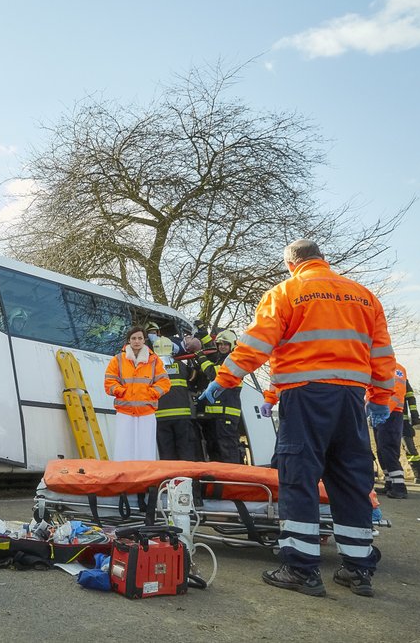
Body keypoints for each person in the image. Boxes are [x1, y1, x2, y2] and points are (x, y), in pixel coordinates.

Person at [202, 239, 394, 598]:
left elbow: (257, 342)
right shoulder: (364, 296)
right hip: (351, 399)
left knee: (299, 476)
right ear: (323, 259)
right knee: (351, 478)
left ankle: (300, 569)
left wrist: (224, 378)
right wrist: (381, 398)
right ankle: (357, 569)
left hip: (306, 395)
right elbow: (382, 354)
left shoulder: (287, 291)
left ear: (291, 263)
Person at [103, 326, 171, 461]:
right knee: (123, 447)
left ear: (144, 340)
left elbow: (165, 382)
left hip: (146, 410)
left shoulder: (154, 360)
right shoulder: (117, 359)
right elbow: (109, 382)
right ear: (129, 340)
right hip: (125, 410)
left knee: (146, 448)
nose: (137, 341)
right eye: (133, 338)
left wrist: (150, 393)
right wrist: (122, 392)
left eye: (140, 338)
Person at [199, 329, 244, 464]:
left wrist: (201, 358)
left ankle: (233, 480)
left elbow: (213, 373)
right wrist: (202, 333)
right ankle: (219, 482)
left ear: (232, 346)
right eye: (220, 344)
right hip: (213, 416)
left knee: (227, 450)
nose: (222, 347)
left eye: (225, 344)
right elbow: (210, 348)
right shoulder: (219, 358)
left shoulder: (233, 361)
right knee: (214, 450)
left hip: (226, 415)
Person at [151, 337, 199, 461]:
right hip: (182, 417)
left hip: (161, 418)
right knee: (186, 451)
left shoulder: (150, 369)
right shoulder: (181, 366)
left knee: (167, 453)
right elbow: (194, 378)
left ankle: (170, 479)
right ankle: (188, 478)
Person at [372, 361, 412, 499]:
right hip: (381, 413)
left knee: (388, 449)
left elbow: (397, 392)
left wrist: (384, 411)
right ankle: (390, 483)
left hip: (391, 413)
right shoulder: (378, 366)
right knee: (381, 450)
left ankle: (399, 487)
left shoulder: (397, 369)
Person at [401, 378, 420, 484]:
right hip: (384, 420)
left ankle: (418, 474)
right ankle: (392, 477)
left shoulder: (401, 377)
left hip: (402, 421)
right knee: (388, 450)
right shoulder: (379, 373)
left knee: (409, 449)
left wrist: (414, 414)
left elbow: (410, 398)